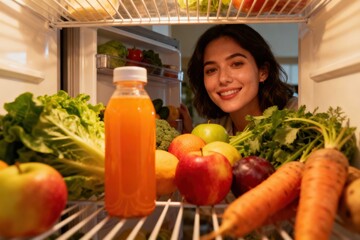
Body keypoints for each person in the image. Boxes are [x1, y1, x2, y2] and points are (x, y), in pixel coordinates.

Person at [179, 24, 298, 135]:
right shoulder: (215, 128)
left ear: (263, 72)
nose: (223, 78)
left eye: (236, 64)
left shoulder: (296, 114)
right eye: (211, 70)